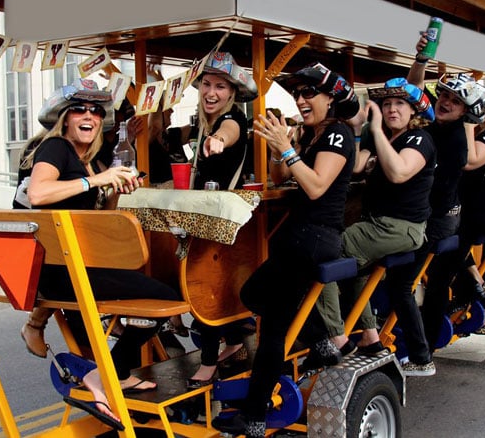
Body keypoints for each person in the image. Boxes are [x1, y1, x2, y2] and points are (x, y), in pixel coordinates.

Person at [18, 79, 181, 422]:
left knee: (159, 294)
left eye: (95, 110)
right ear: (64, 118)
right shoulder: (56, 149)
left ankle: (112, 375)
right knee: (165, 300)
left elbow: (99, 216)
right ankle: (105, 375)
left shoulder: (89, 158)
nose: (88, 115)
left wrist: (118, 188)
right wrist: (97, 180)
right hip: (60, 272)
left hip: (79, 264)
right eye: (79, 109)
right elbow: (38, 194)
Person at [214, 62, 358, 437]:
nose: (301, 99)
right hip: (300, 237)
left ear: (332, 98)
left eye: (309, 93)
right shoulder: (312, 134)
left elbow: (315, 187)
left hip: (314, 238)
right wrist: (283, 148)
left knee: (271, 322)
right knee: (262, 302)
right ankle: (319, 344)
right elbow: (281, 176)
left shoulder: (339, 134)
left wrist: (287, 149)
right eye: (298, 93)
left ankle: (257, 415)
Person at [324, 77, 437, 377]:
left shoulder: (418, 140)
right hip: (378, 225)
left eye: (399, 104)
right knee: (355, 268)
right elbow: (357, 166)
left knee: (326, 254)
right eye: (386, 104)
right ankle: (370, 336)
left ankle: (335, 339)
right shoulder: (384, 137)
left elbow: (400, 172)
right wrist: (361, 131)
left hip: (398, 227)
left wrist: (375, 131)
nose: (391, 109)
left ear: (414, 111)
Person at [181, 51, 260, 388]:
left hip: (224, 222)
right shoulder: (201, 125)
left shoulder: (231, 122)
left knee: (206, 287)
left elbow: (230, 132)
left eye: (220, 87)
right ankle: (235, 342)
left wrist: (218, 141)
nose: (211, 92)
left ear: (231, 94)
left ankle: (210, 362)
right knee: (213, 285)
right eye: (206, 85)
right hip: (208, 217)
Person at [421, 84, 485, 347]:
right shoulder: (446, 128)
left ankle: (429, 342)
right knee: (437, 271)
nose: (446, 102)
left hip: (475, 214)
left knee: (439, 275)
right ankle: (472, 285)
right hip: (457, 210)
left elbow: (470, 161)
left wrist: (470, 123)